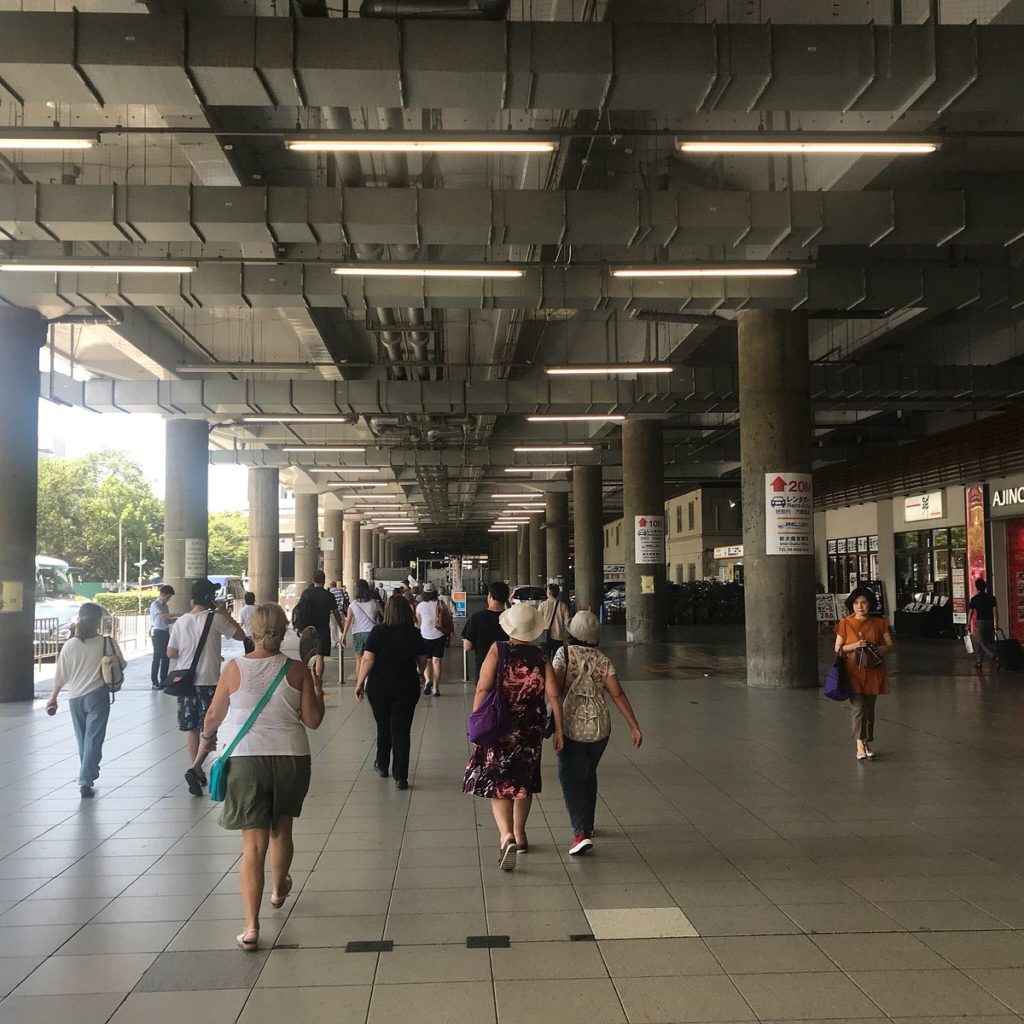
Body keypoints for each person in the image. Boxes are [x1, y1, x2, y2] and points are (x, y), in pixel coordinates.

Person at [194, 603, 324, 950]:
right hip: (291, 757)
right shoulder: (297, 670)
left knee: (253, 847)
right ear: (284, 631)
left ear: (252, 631)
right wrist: (317, 685)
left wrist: (206, 743)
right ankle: (279, 888)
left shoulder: (233, 668)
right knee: (282, 829)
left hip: (246, 758)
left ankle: (251, 927)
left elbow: (212, 716)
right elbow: (313, 721)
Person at [463, 603, 564, 871]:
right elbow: (554, 694)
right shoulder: (541, 656)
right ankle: (520, 835)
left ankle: (505, 834)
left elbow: (483, 688)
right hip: (531, 727)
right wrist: (560, 731)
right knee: (524, 779)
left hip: (499, 726)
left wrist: (476, 723)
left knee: (501, 781)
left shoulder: (498, 650)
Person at [552, 611, 642, 856]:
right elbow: (617, 693)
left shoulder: (564, 654)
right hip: (600, 728)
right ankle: (588, 825)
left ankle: (580, 833)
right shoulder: (603, 659)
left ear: (572, 633)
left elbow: (555, 690)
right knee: (587, 773)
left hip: (572, 726)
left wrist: (554, 724)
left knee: (570, 778)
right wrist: (633, 725)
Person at [168, 579, 245, 796]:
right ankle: (195, 768)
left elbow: (170, 653)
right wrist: (226, 614)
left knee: (191, 727)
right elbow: (240, 635)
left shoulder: (181, 621)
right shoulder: (216, 619)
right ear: (210, 597)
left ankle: (197, 769)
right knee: (209, 727)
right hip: (209, 681)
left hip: (185, 682)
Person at [46, 603, 126, 798]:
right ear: (99, 620)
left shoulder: (70, 644)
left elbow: (60, 676)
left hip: (74, 698)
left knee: (83, 739)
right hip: (97, 695)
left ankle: (87, 776)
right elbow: (122, 665)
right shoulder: (106, 642)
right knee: (93, 738)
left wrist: (53, 698)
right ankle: (85, 779)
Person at [355, 594, 427, 790]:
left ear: (387, 611)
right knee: (402, 730)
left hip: (379, 687)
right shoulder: (413, 633)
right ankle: (400, 776)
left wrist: (359, 683)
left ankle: (382, 764)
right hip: (406, 686)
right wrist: (420, 673)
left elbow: (368, 660)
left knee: (383, 726)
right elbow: (422, 660)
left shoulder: (378, 632)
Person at [835, 587, 894, 761]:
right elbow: (838, 648)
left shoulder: (879, 622)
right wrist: (855, 646)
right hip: (853, 672)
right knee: (859, 708)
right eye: (856, 603)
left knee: (869, 709)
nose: (860, 606)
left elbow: (890, 645)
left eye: (864, 602)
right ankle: (859, 743)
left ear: (870, 604)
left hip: (873, 670)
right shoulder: (845, 623)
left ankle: (867, 741)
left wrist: (883, 648)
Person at [462, 581, 510, 682]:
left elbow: (467, 647)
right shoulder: (512, 618)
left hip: (484, 670)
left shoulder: (476, 618)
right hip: (509, 671)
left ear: (490, 596)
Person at [292, 570, 343, 661]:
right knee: (320, 657)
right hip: (323, 630)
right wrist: (342, 627)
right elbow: (336, 613)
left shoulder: (306, 593)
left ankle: (309, 674)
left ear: (313, 580)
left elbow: (299, 611)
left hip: (308, 629)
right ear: (324, 581)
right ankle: (318, 675)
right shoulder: (329, 595)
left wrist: (299, 626)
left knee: (307, 655)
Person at [342, 579, 382, 675]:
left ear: (356, 590)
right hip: (372, 634)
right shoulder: (374, 603)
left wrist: (344, 636)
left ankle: (359, 685)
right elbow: (384, 616)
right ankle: (368, 684)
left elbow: (348, 621)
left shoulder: (353, 605)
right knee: (371, 661)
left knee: (359, 661)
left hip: (358, 634)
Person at [415, 581, 446, 697]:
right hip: (440, 635)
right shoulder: (440, 603)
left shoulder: (420, 606)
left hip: (425, 636)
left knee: (427, 660)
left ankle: (428, 680)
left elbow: (417, 624)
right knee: (436, 661)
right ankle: (435, 688)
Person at [969, 577, 999, 670]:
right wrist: (996, 623)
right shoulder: (991, 598)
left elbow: (971, 613)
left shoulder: (974, 599)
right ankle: (978, 662)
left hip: (980, 622)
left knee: (981, 642)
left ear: (976, 587)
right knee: (986, 642)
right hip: (990, 621)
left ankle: (994, 656)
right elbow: (995, 611)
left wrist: (968, 624)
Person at [149, 584, 175, 688]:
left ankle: (164, 680)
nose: (168, 599)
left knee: (166, 656)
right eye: (168, 597)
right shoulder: (155, 604)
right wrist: (177, 614)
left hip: (165, 631)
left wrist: (175, 619)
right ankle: (154, 682)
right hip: (158, 632)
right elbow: (162, 616)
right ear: (162, 594)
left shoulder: (165, 606)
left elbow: (167, 620)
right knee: (157, 657)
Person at [537, 582, 572, 659]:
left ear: (549, 593)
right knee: (557, 658)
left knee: (545, 659)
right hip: (558, 636)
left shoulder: (542, 605)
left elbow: (538, 620)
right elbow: (567, 622)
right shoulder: (563, 606)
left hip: (545, 636)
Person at [329, 580, 348, 647]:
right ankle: (341, 640)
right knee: (341, 625)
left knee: (333, 627)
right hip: (340, 611)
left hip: (332, 612)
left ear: (331, 586)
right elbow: (343, 600)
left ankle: (334, 642)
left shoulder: (330, 592)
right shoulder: (340, 591)